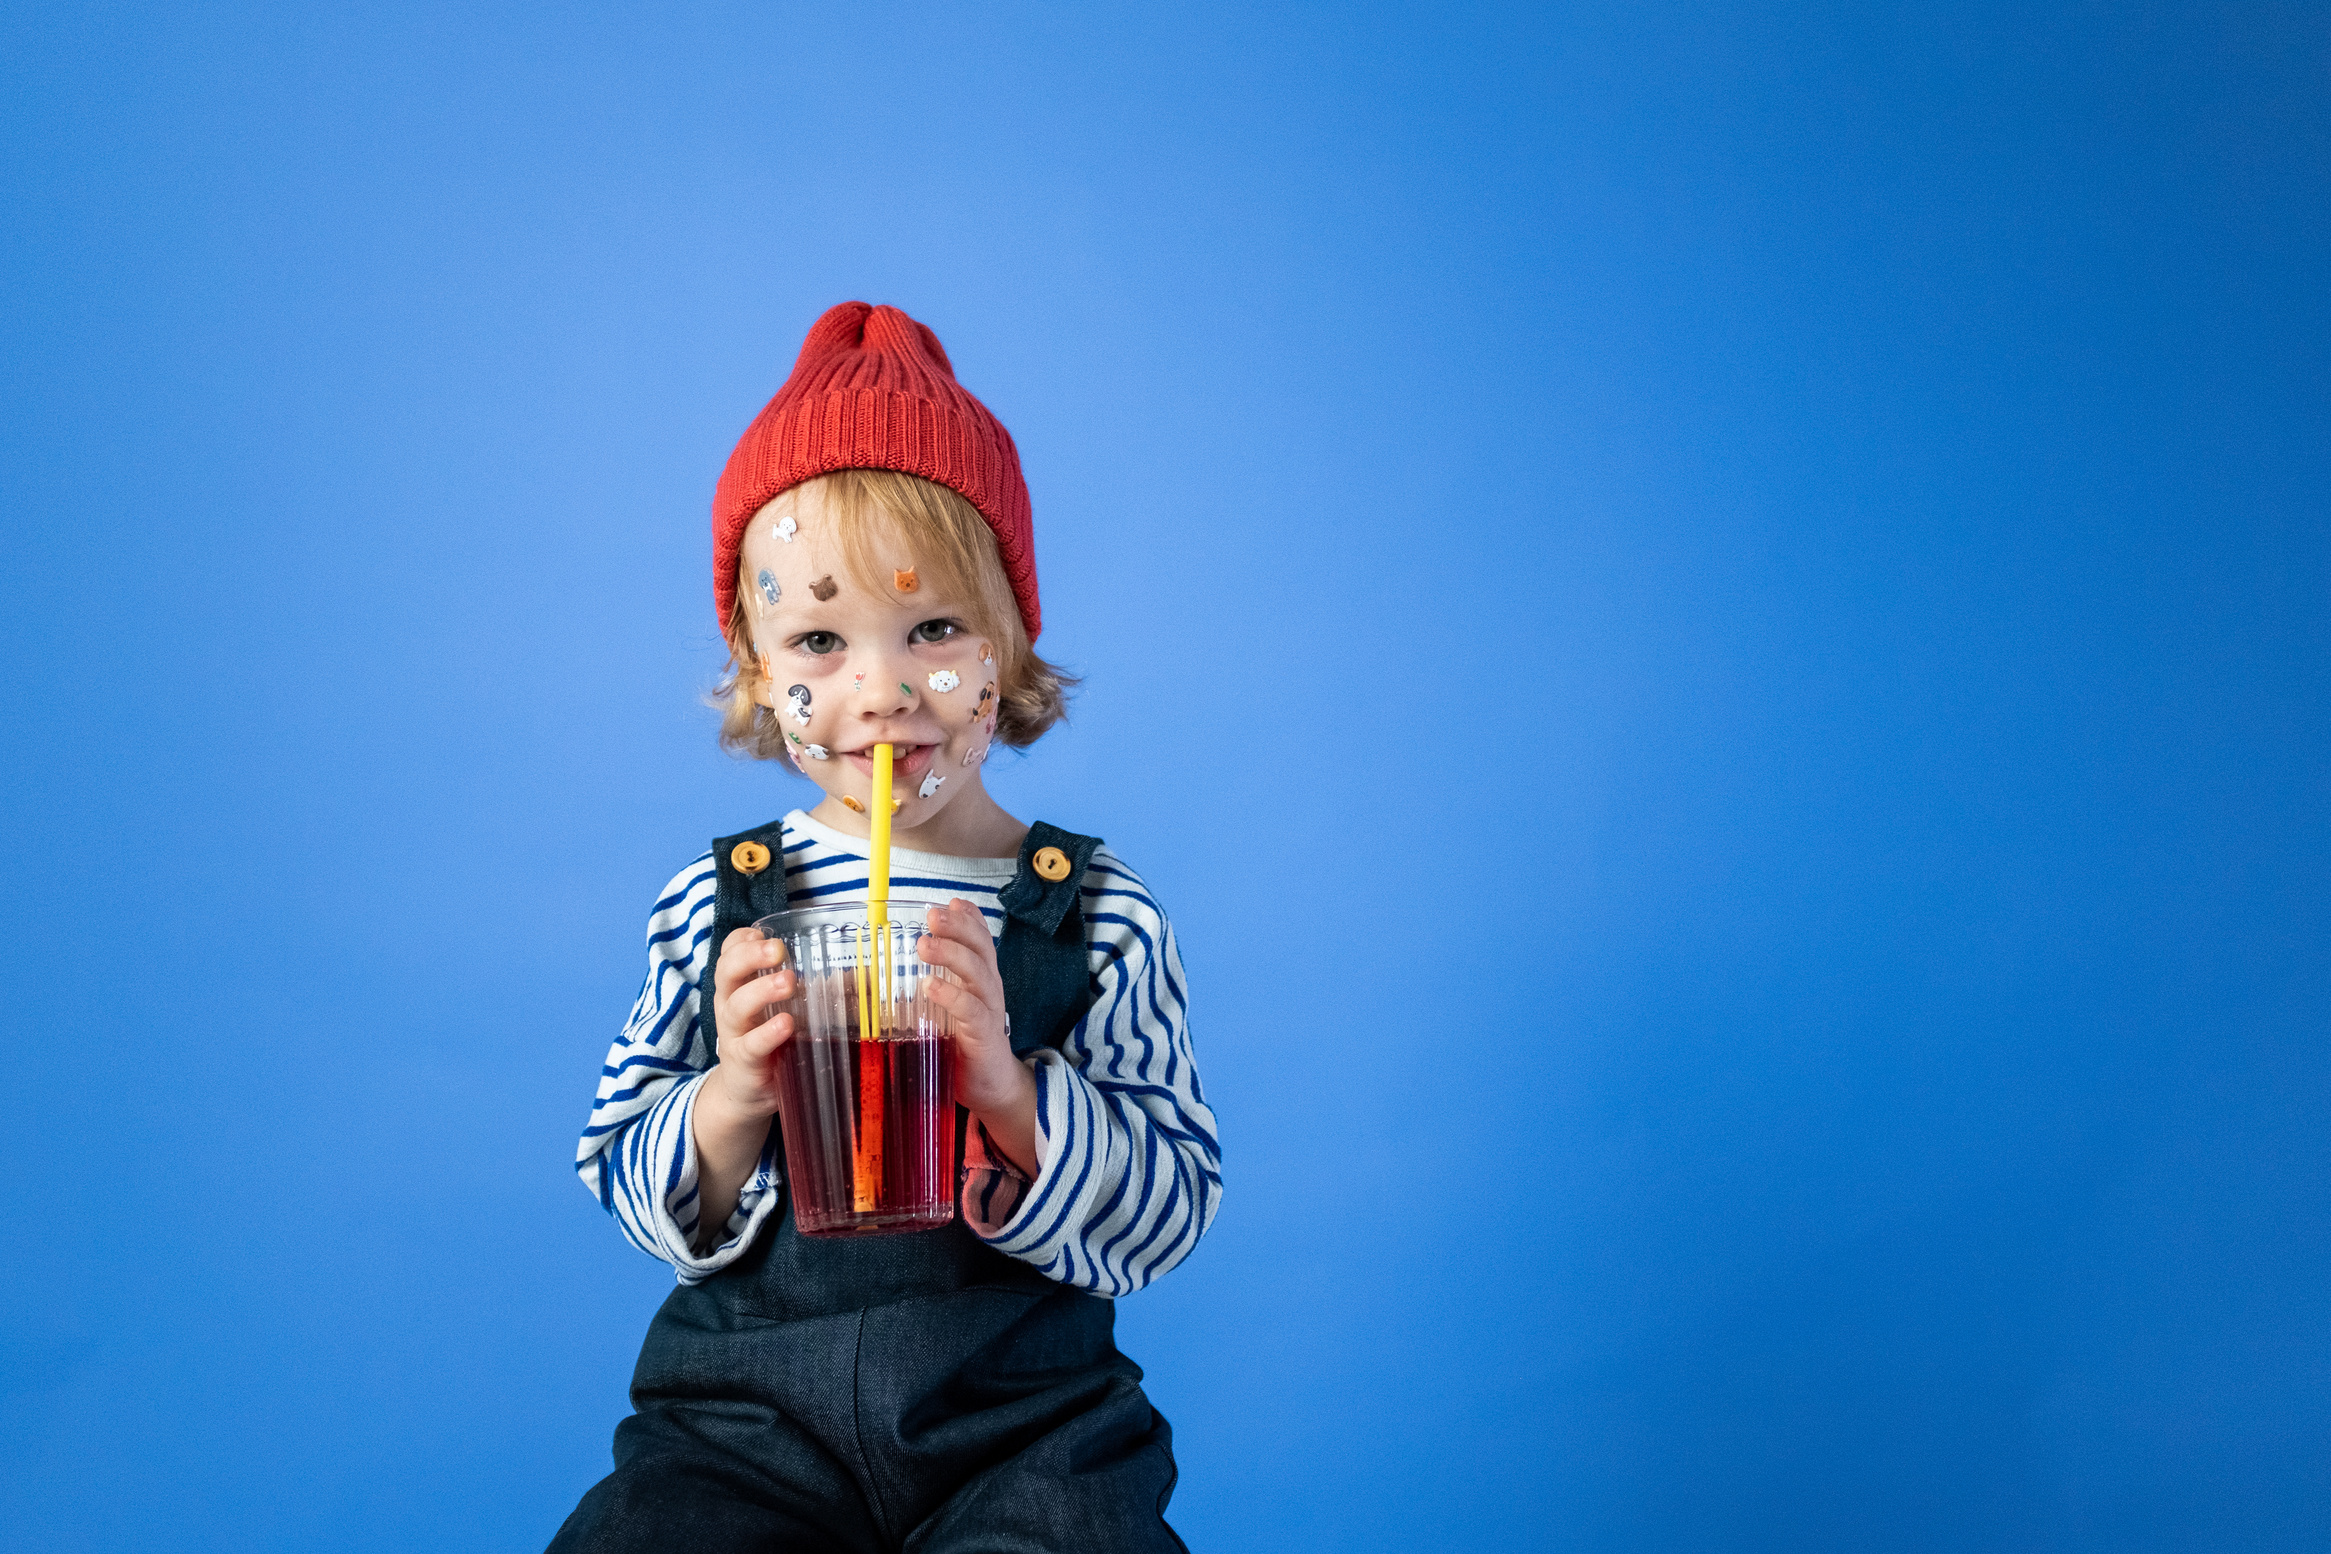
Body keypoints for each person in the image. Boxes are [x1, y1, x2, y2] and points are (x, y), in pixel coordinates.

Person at [551, 302, 1221, 1553]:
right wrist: (734, 1095)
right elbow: (620, 1172)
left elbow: (1171, 1210)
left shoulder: (1101, 910)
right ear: (757, 671)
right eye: (819, 638)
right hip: (742, 1435)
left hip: (1026, 1435)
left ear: (1009, 643)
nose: (883, 691)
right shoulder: (723, 904)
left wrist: (1015, 1096)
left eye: (935, 630)